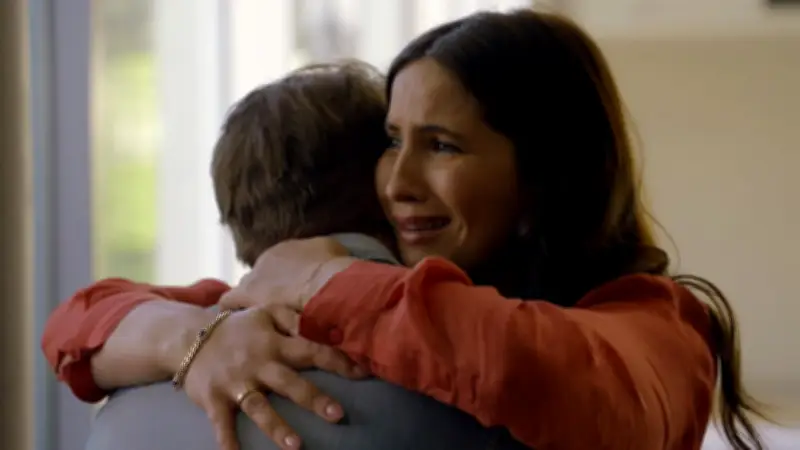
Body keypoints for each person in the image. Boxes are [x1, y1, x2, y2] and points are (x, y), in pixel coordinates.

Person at [42, 9, 765, 450]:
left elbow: (536, 368)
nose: (396, 182)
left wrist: (327, 280)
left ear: (546, 175)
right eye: (392, 141)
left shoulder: (658, 325)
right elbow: (81, 318)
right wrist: (194, 341)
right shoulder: (338, 300)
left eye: (442, 146)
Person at [80, 60, 526, 450]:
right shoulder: (480, 387)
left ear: (235, 217)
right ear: (389, 188)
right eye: (395, 145)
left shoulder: (125, 406)